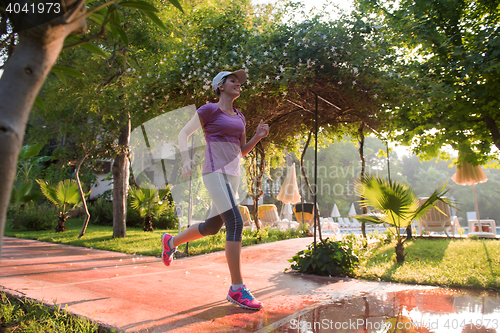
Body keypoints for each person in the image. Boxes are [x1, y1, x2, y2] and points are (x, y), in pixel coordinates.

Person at [161, 69, 269, 310]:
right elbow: (184, 133)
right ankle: (237, 288)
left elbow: (240, 151)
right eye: (233, 80)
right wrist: (186, 158)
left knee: (212, 227)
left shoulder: (240, 117)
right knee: (236, 223)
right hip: (214, 172)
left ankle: (171, 242)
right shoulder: (209, 110)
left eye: (239, 82)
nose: (238, 84)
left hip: (232, 175)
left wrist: (257, 137)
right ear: (220, 86)